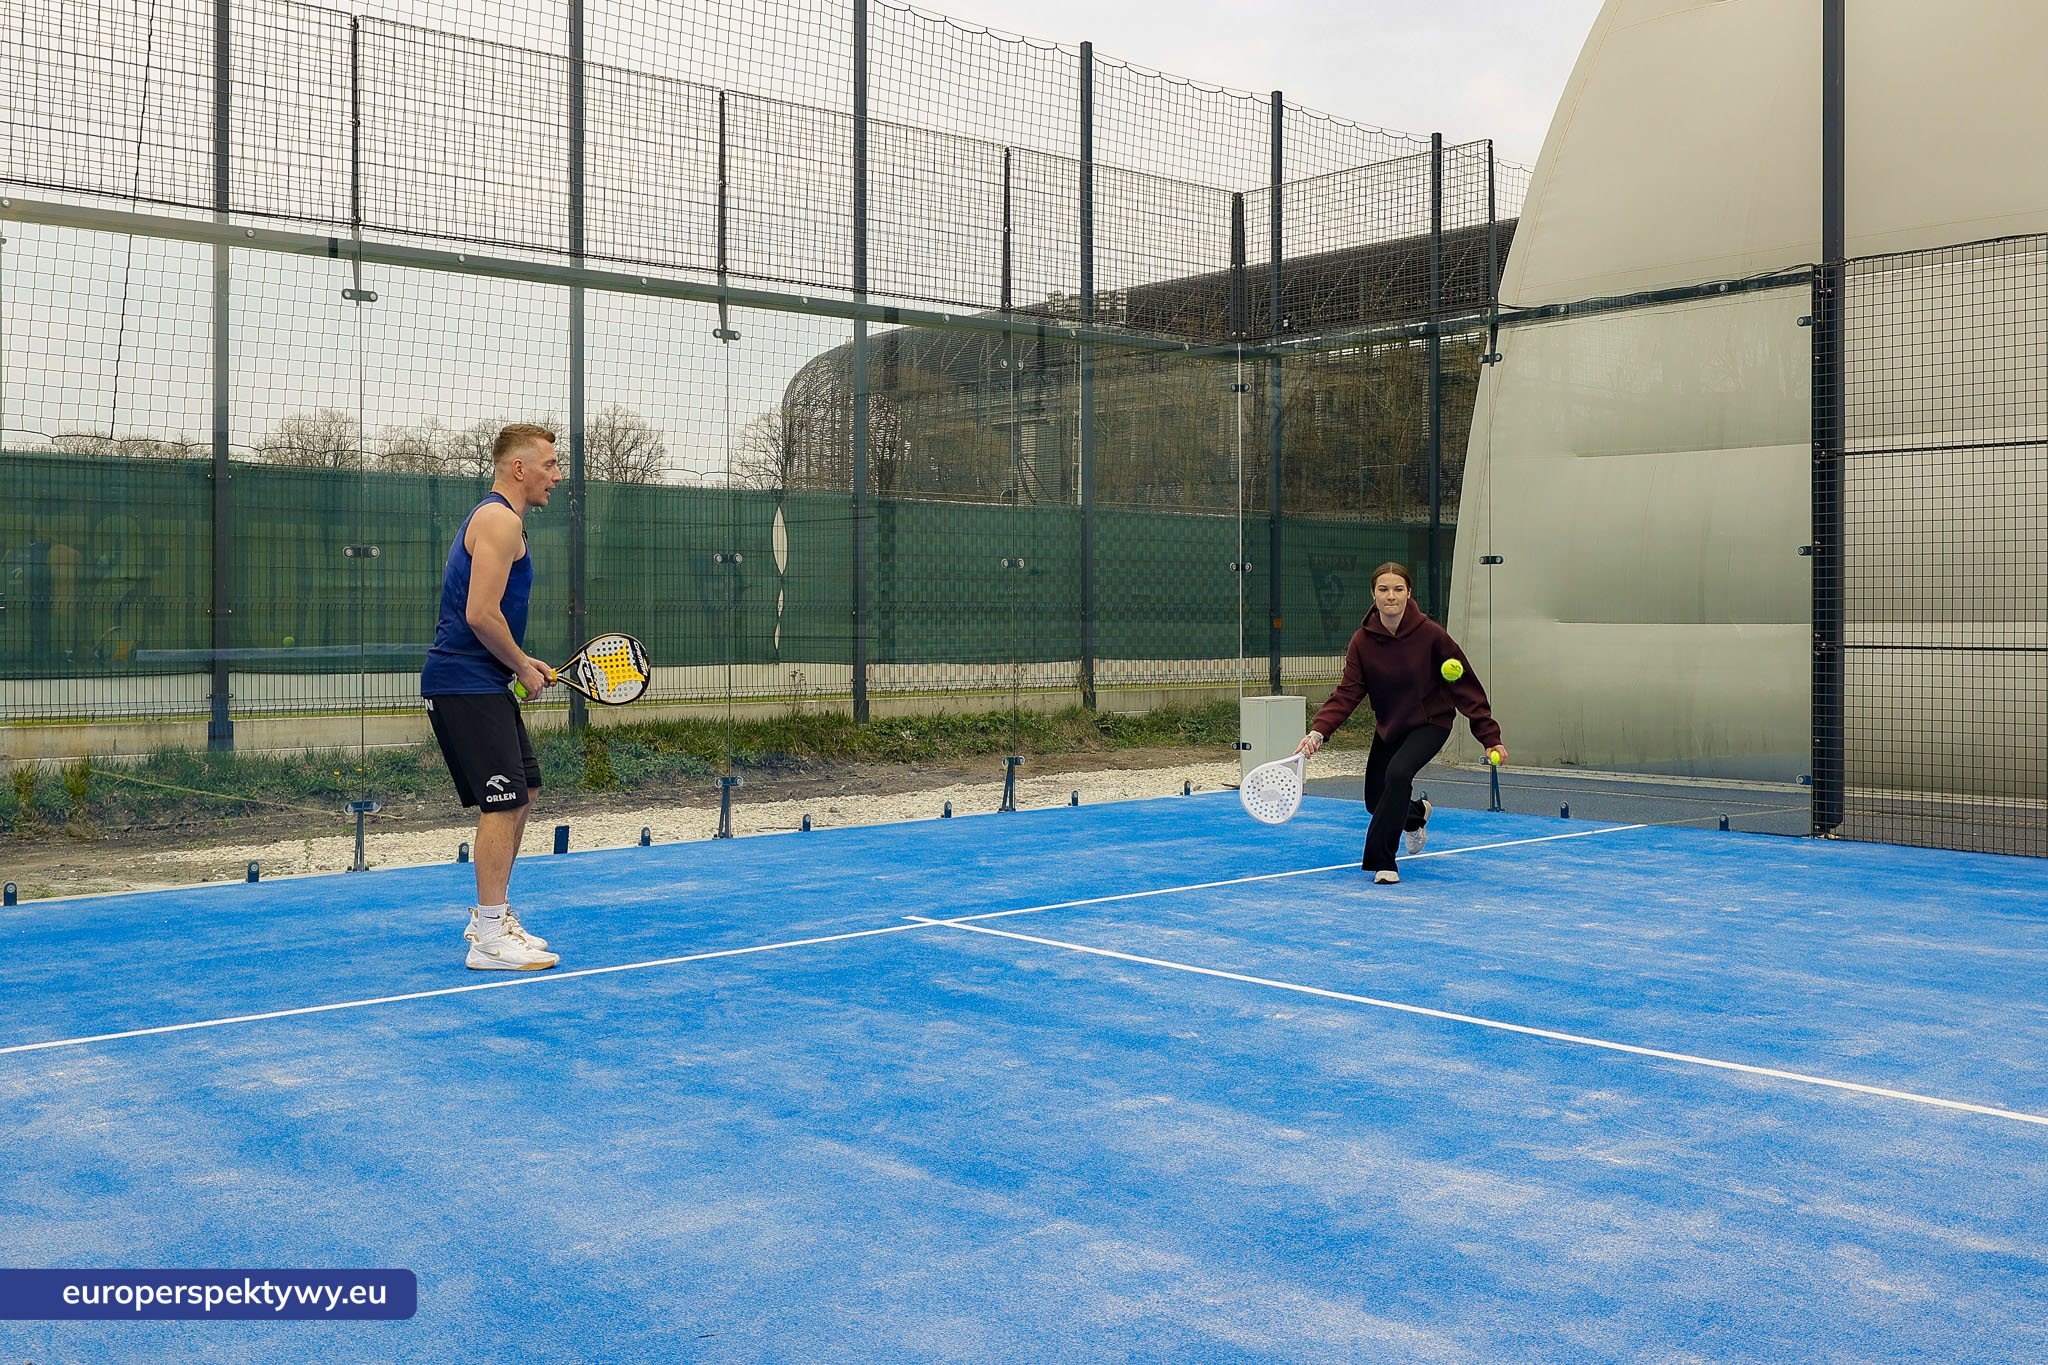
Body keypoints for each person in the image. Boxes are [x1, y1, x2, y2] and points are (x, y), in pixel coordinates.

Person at [421, 424, 564, 969]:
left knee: (522, 791)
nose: (557, 475)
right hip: (463, 682)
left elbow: (486, 618)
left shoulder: (501, 520)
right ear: (519, 468)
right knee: (502, 802)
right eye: (549, 465)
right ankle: (488, 937)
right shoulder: (500, 520)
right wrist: (522, 670)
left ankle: (493, 916)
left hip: (479, 681)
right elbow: (480, 614)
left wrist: (523, 664)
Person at [1295, 562, 1505, 884]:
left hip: (1431, 722)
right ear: (1373, 595)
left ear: (1409, 593)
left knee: (1398, 773)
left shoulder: (1433, 636)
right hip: (1390, 725)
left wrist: (1489, 736)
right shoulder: (1361, 642)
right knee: (1375, 801)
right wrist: (1318, 731)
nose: (1390, 596)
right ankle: (1416, 815)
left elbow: (1464, 685)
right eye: (1383, 589)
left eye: (1397, 589)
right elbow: (1347, 693)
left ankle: (1384, 862)